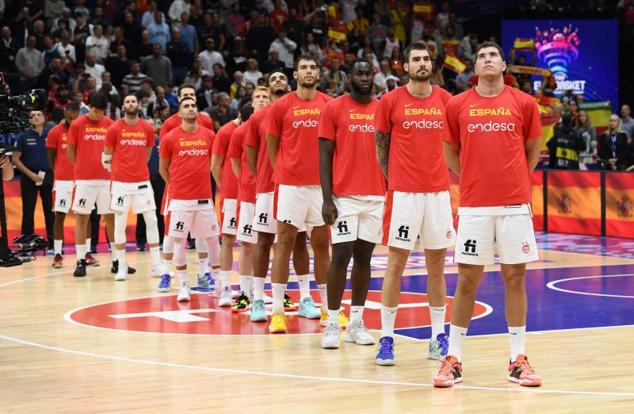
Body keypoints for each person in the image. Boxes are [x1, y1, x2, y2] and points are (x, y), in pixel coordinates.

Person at [434, 41, 543, 388]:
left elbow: (532, 153)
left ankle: (518, 358)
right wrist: (474, 180)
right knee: (467, 280)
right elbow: (451, 152)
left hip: (514, 205)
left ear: (504, 64)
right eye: (481, 56)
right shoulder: (457, 104)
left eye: (493, 55)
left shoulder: (524, 103)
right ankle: (453, 358)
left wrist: (510, 181)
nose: (487, 60)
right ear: (474, 67)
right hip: (474, 205)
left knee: (515, 277)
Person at [373, 42, 455, 365]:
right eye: (416, 59)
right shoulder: (390, 102)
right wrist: (396, 181)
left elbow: (456, 145)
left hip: (437, 193)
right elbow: (381, 149)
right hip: (404, 194)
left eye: (426, 59)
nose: (422, 64)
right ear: (404, 66)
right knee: (396, 264)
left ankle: (437, 337)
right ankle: (387, 338)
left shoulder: (447, 102)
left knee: (437, 266)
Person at [266, 54, 345, 333]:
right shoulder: (281, 106)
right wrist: (285, 172)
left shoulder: (329, 104)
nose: (308, 71)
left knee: (323, 245)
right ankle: (277, 312)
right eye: (303, 68)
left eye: (313, 67)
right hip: (290, 186)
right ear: (295, 76)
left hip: (321, 187)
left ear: (318, 75)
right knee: (284, 244)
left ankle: (327, 309)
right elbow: (272, 145)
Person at [319, 59, 384, 349]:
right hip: (343, 197)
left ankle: (356, 322)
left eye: (368, 73)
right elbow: (324, 155)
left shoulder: (382, 108)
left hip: (376, 195)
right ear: (349, 77)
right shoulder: (334, 108)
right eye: (359, 73)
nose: (365, 78)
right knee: (341, 255)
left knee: (364, 257)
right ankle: (333, 321)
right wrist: (326, 198)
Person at [245, 71, 309, 323]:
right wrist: (263, 176)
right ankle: (259, 298)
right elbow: (250, 154)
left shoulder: (299, 111)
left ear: (290, 82)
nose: (278, 81)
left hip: (298, 187)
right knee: (264, 241)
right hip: (268, 188)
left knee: (300, 241)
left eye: (282, 78)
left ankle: (305, 297)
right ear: (268, 88)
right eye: (273, 79)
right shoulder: (258, 118)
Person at [157, 84, 219, 293]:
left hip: (201, 191)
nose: (191, 103)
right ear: (179, 104)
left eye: (193, 98)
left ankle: (204, 273)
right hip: (176, 190)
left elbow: (214, 159)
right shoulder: (169, 127)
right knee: (172, 234)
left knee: (203, 235)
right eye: (186, 99)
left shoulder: (207, 124)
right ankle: (166, 273)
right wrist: (173, 184)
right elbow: (163, 165)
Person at [68, 93, 135, 277]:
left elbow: (117, 150)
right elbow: (71, 151)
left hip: (107, 180)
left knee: (111, 218)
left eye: (99, 112)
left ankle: (117, 261)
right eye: (93, 111)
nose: (96, 115)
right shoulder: (77, 124)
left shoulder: (110, 124)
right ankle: (81, 260)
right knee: (82, 218)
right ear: (88, 107)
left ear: (104, 111)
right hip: (84, 180)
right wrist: (80, 168)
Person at [102, 94, 162, 281]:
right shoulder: (114, 128)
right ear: (123, 106)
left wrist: (136, 168)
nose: (130, 104)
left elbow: (148, 152)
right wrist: (118, 170)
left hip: (142, 182)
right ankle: (121, 266)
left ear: (138, 105)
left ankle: (157, 265)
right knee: (120, 223)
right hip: (120, 183)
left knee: (151, 220)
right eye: (127, 101)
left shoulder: (146, 127)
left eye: (133, 101)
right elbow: (106, 156)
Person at [227, 93, 267, 312]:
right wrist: (247, 183)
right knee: (247, 244)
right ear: (252, 103)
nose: (261, 99)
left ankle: (269, 291)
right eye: (257, 97)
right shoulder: (240, 132)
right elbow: (234, 163)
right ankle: (244, 292)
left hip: (272, 194)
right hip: (249, 196)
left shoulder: (277, 126)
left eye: (265, 96)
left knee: (278, 245)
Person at [12, 110, 55, 251]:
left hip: (48, 176)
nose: (35, 117)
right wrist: (31, 174)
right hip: (28, 178)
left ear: (44, 118)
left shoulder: (51, 134)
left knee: (50, 211)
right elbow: (15, 159)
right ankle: (26, 246)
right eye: (32, 116)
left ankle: (54, 244)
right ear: (29, 120)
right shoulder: (23, 136)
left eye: (38, 115)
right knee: (28, 212)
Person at [210, 109, 241, 306]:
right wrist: (226, 187)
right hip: (232, 195)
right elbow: (215, 166)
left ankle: (253, 290)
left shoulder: (263, 127)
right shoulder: (226, 131)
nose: (262, 101)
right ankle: (225, 287)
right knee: (228, 239)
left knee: (259, 242)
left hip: (257, 195)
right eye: (259, 98)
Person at [46, 103, 80, 268]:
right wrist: (60, 173)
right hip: (62, 182)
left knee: (84, 216)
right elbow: (51, 157)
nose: (73, 120)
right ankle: (58, 254)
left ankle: (86, 253)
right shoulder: (55, 131)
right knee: (59, 217)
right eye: (70, 117)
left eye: (75, 117)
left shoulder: (82, 130)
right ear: (65, 113)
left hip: (81, 180)